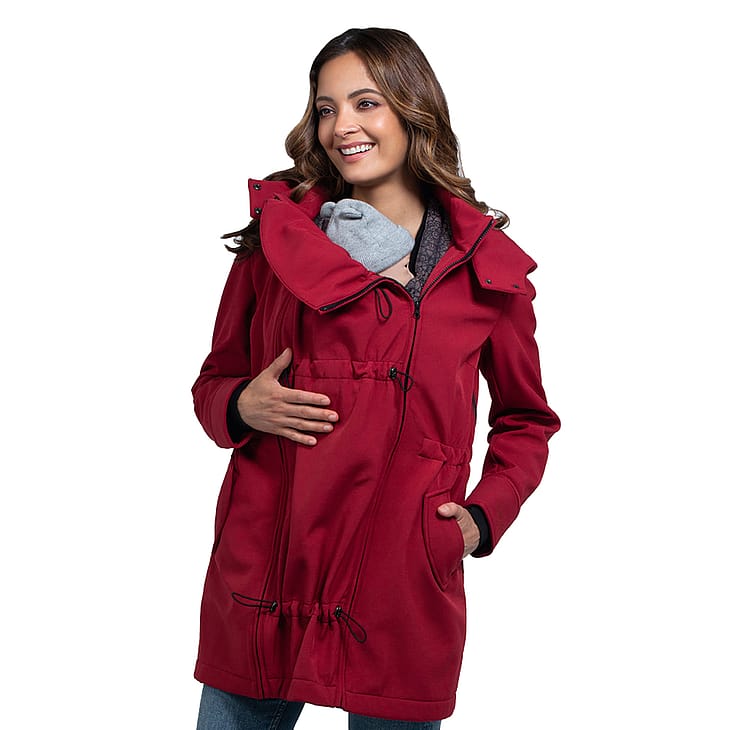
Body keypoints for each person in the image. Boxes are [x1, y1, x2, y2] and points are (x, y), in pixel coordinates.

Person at [192, 27, 560, 730]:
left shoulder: (484, 270)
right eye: (326, 109)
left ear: (413, 109)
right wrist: (242, 404)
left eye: (366, 103)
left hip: (399, 577)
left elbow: (527, 421)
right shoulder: (274, 242)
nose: (343, 127)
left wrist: (483, 518)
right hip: (270, 569)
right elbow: (213, 385)